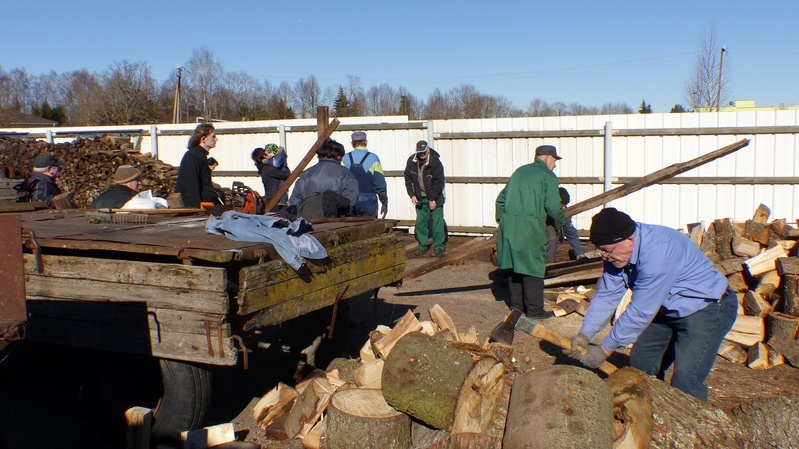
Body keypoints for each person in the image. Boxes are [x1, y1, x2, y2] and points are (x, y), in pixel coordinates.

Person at [566, 207, 737, 402]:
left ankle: (692, 425)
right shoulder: (617, 254)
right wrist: (585, 333)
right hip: (668, 307)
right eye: (601, 251)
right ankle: (652, 412)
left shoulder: (658, 254)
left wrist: (604, 350)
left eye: (607, 250)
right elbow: (606, 296)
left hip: (707, 307)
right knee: (641, 363)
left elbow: (640, 311)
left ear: (629, 239)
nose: (605, 257)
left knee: (686, 379)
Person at [495, 144, 565, 318]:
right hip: (530, 226)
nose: (555, 165)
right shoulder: (548, 176)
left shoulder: (519, 172)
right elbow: (554, 206)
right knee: (533, 267)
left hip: (509, 226)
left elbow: (500, 200)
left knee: (514, 266)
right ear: (547, 158)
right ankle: (534, 310)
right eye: (555, 160)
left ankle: (517, 309)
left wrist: (502, 221)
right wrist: (559, 223)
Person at [289, 138, 359, 211]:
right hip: (335, 219)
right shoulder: (345, 173)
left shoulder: (306, 173)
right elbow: (350, 200)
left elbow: (295, 200)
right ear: (338, 156)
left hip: (308, 218)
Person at [404, 140, 446, 257]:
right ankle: (422, 246)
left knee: (437, 224)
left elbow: (439, 182)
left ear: (428, 150)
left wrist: (433, 199)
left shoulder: (435, 162)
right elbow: (408, 179)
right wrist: (412, 194)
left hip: (435, 197)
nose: (422, 154)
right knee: (421, 223)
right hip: (420, 198)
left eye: (423, 152)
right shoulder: (412, 161)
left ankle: (439, 247)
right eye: (419, 152)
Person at [342, 131, 389, 218]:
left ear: (353, 144)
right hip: (368, 201)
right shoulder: (373, 158)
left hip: (349, 200)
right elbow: (379, 183)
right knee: (370, 229)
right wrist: (384, 201)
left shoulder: (344, 158)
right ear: (365, 142)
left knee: (349, 229)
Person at [175, 123, 221, 208]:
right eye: (213, 136)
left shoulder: (200, 155)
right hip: (197, 209)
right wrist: (195, 209)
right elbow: (190, 184)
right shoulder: (193, 156)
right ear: (203, 139)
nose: (216, 139)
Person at [546, 186, 586, 262]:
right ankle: (548, 266)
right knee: (552, 237)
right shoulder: (543, 211)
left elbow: (571, 233)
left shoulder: (564, 213)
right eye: (561, 206)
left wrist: (579, 254)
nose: (564, 208)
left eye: (565, 206)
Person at [252, 144, 290, 209]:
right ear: (264, 156)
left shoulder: (263, 168)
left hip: (270, 197)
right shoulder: (268, 168)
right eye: (267, 153)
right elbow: (286, 175)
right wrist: (285, 167)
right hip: (275, 200)